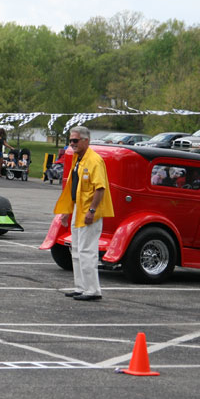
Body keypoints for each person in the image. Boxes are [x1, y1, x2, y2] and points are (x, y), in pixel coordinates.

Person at [52, 126, 114, 302]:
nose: (72, 144)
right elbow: (75, 187)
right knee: (77, 250)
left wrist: (92, 210)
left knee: (88, 251)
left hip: (89, 212)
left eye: (75, 141)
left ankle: (93, 290)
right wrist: (67, 211)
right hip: (78, 209)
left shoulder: (95, 160)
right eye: (70, 141)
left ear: (86, 140)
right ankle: (80, 287)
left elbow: (100, 188)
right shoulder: (79, 159)